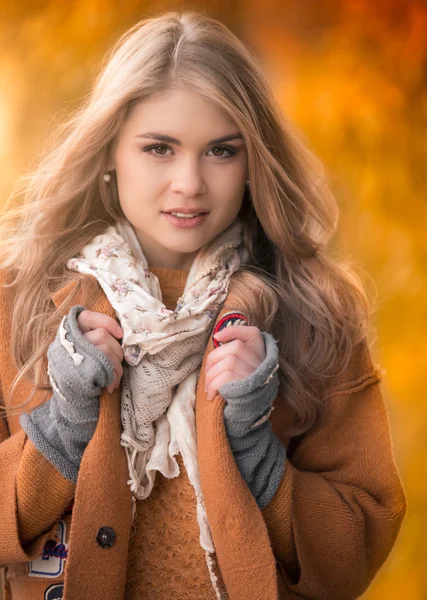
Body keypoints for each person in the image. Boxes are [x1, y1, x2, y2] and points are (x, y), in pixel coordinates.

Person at [0, 10, 406, 600]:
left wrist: (255, 453)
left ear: (252, 162)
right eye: (159, 148)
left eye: (221, 151)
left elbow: (358, 548)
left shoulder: (316, 314)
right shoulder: (19, 299)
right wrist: (63, 427)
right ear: (110, 152)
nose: (190, 182)